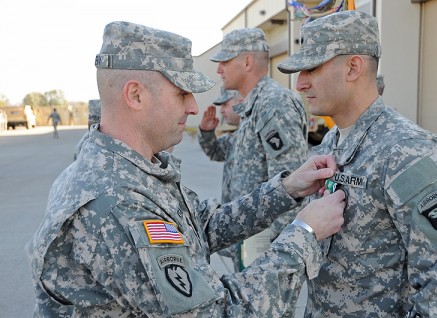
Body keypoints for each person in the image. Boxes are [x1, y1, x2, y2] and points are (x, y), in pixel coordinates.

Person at [26, 21, 346, 317]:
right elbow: (215, 313)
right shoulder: (114, 199)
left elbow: (202, 227)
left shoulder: (135, 170)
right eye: (181, 93)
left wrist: (286, 188)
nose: (193, 106)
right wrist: (304, 234)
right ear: (135, 95)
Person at [277, 10, 437, 317]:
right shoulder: (332, 142)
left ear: (353, 67)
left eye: (311, 69)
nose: (300, 83)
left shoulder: (408, 151)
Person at [210, 28, 309, 267]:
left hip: (264, 250)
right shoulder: (252, 107)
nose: (218, 69)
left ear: (246, 62)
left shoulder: (273, 104)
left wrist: (271, 251)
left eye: (225, 61)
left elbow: (293, 185)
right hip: (249, 242)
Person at [198, 87, 244, 271]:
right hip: (239, 226)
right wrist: (206, 132)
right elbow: (215, 152)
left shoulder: (257, 135)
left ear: (241, 103)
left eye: (226, 104)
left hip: (257, 230)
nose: (222, 110)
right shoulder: (236, 137)